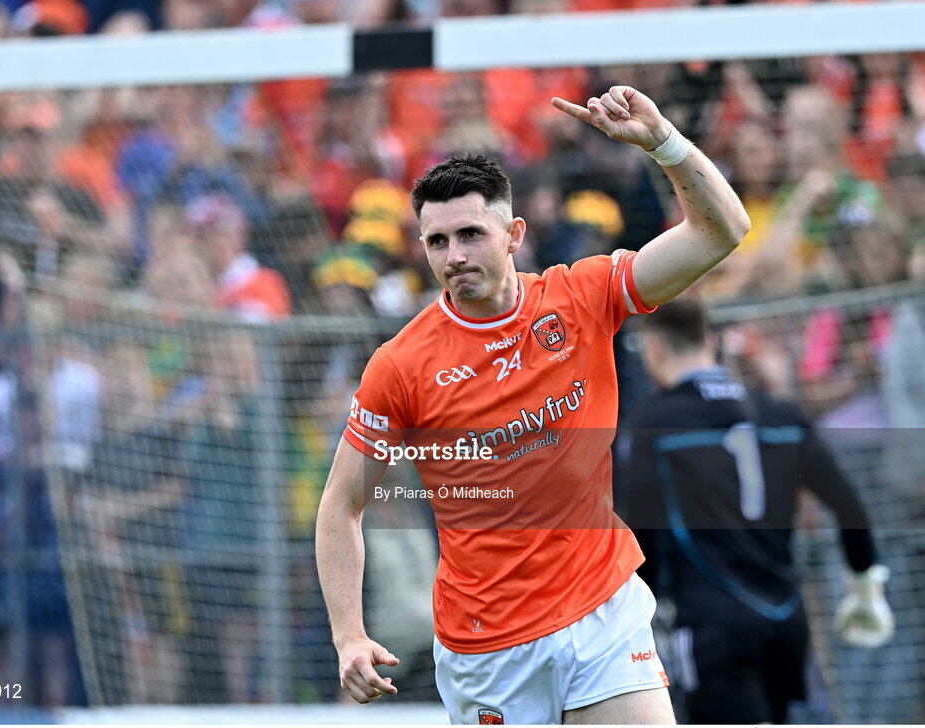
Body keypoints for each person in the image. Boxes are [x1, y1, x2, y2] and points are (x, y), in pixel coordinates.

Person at [316, 85, 751, 724]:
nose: (455, 255)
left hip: (602, 608)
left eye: (470, 233)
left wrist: (664, 144)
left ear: (514, 233)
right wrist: (349, 633)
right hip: (488, 650)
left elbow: (722, 231)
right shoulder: (400, 365)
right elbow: (342, 507)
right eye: (437, 242)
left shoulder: (582, 297)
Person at [621, 296, 894, 724]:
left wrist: (649, 603)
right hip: (785, 616)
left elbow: (642, 529)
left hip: (712, 622)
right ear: (712, 341)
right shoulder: (780, 413)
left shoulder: (654, 422)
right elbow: (849, 506)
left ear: (653, 348)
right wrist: (865, 586)